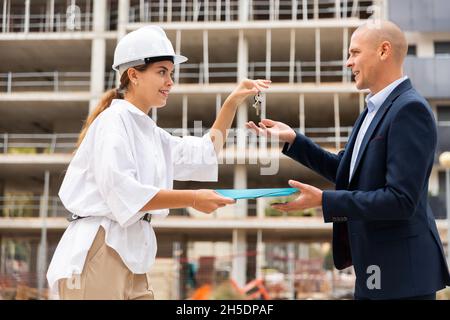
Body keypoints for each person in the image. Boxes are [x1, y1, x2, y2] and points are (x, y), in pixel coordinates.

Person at [47, 25, 270, 300]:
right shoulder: (113, 123)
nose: (170, 82)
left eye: (171, 73)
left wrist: (232, 103)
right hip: (100, 248)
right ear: (133, 75)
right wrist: (193, 198)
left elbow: (204, 152)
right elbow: (122, 190)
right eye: (161, 72)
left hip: (130, 253)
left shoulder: (150, 133)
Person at [247, 20, 450, 300]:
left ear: (383, 51)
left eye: (354, 53)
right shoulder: (372, 110)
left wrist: (325, 201)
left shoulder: (409, 110)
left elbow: (401, 200)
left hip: (403, 279)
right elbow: (348, 172)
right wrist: (293, 139)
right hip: (376, 274)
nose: (348, 62)